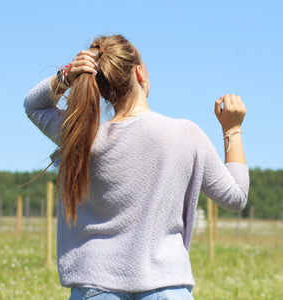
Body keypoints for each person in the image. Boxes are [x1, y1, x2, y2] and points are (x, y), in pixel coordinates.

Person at [24, 35, 249, 300]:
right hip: (166, 286)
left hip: (94, 287)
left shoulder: (83, 136)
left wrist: (66, 76)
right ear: (140, 73)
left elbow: (33, 104)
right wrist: (232, 129)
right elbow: (236, 197)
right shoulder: (184, 134)